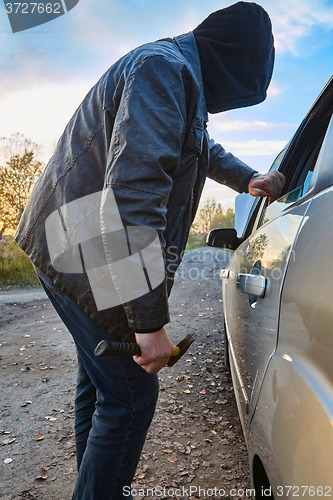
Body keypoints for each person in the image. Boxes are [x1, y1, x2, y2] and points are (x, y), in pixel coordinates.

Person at [15, 2, 285, 498]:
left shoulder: (177, 72)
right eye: (238, 91)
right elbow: (131, 197)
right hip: (82, 243)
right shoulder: (165, 71)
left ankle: (96, 486)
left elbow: (202, 147)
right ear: (230, 63)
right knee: (132, 395)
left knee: (102, 384)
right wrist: (147, 323)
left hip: (71, 235)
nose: (228, 103)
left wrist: (247, 178)